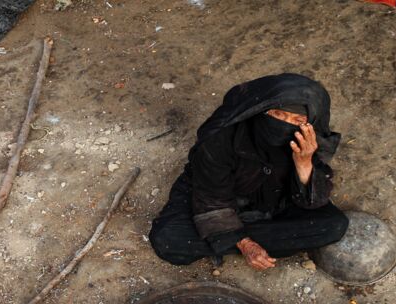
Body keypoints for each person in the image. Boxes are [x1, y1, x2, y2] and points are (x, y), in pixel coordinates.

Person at [149, 73, 348, 270]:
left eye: (297, 120)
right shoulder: (220, 139)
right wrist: (245, 243)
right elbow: (211, 200)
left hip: (275, 203)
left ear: (309, 123)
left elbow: (313, 201)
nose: (285, 123)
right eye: (278, 114)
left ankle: (223, 240)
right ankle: (237, 237)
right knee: (167, 240)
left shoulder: (306, 141)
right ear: (262, 111)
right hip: (214, 201)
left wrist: (304, 162)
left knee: (333, 225)